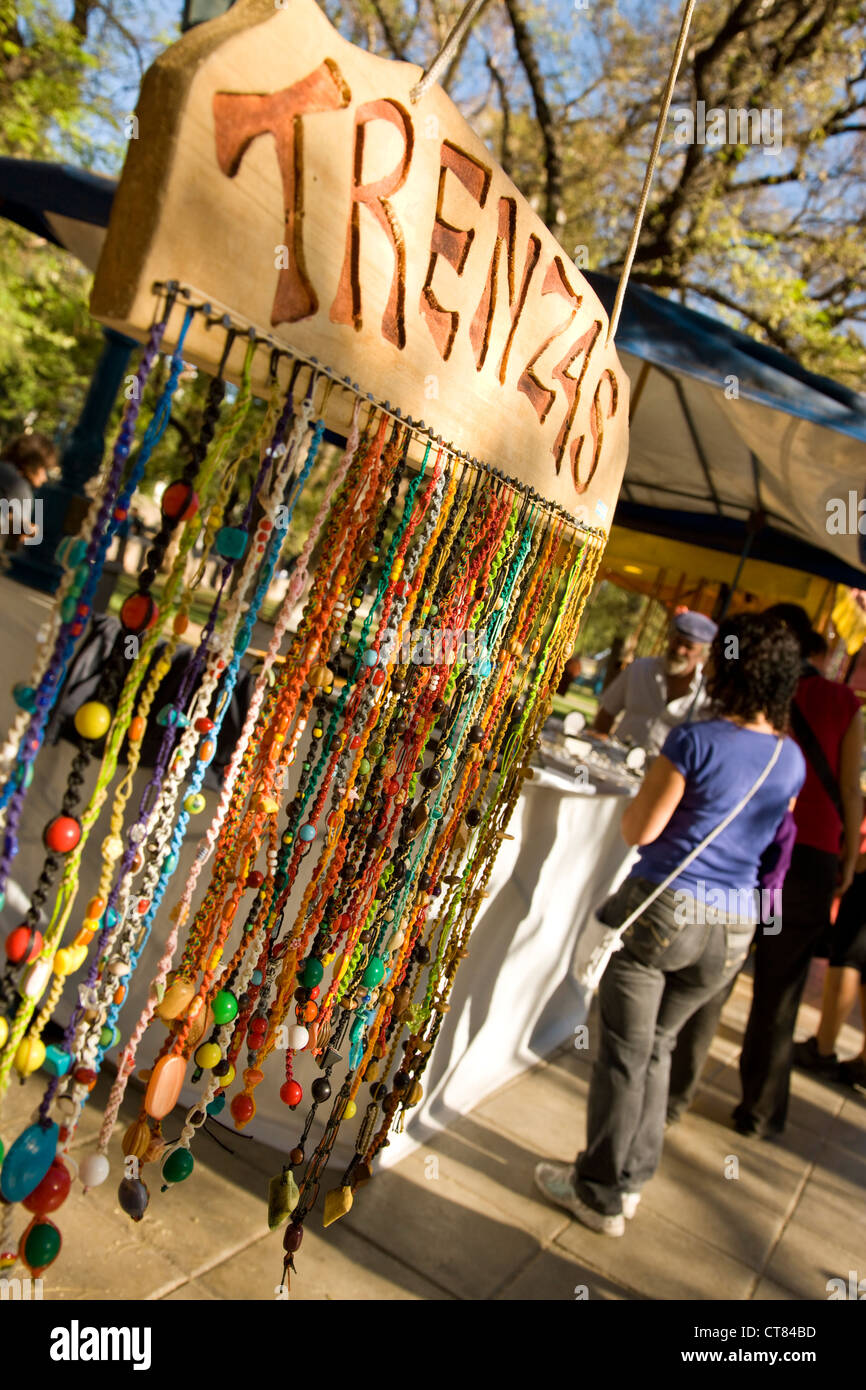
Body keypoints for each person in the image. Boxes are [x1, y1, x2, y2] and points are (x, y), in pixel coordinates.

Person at [534, 613, 805, 1235]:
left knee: (625, 1055)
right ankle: (628, 1182)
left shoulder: (697, 741)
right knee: (658, 1048)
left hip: (666, 911)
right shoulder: (790, 759)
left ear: (728, 666)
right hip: (733, 929)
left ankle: (598, 1192)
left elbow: (640, 830)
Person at [733, 604, 863, 1137]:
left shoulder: (763, 688)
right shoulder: (843, 701)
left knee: (726, 963)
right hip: (810, 859)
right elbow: (851, 783)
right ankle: (761, 1113)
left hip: (758, 847)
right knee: (779, 986)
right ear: (817, 648)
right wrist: (848, 856)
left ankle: (677, 1087)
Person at [592, 610, 717, 755]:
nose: (679, 650)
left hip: (664, 774)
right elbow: (607, 711)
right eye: (677, 641)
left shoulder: (706, 692)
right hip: (615, 758)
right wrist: (597, 746)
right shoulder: (639, 669)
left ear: (702, 654)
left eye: (688, 646)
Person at [0, 432, 55, 548]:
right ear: (35, 464)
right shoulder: (19, 488)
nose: (45, 478)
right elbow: (15, 540)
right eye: (45, 470)